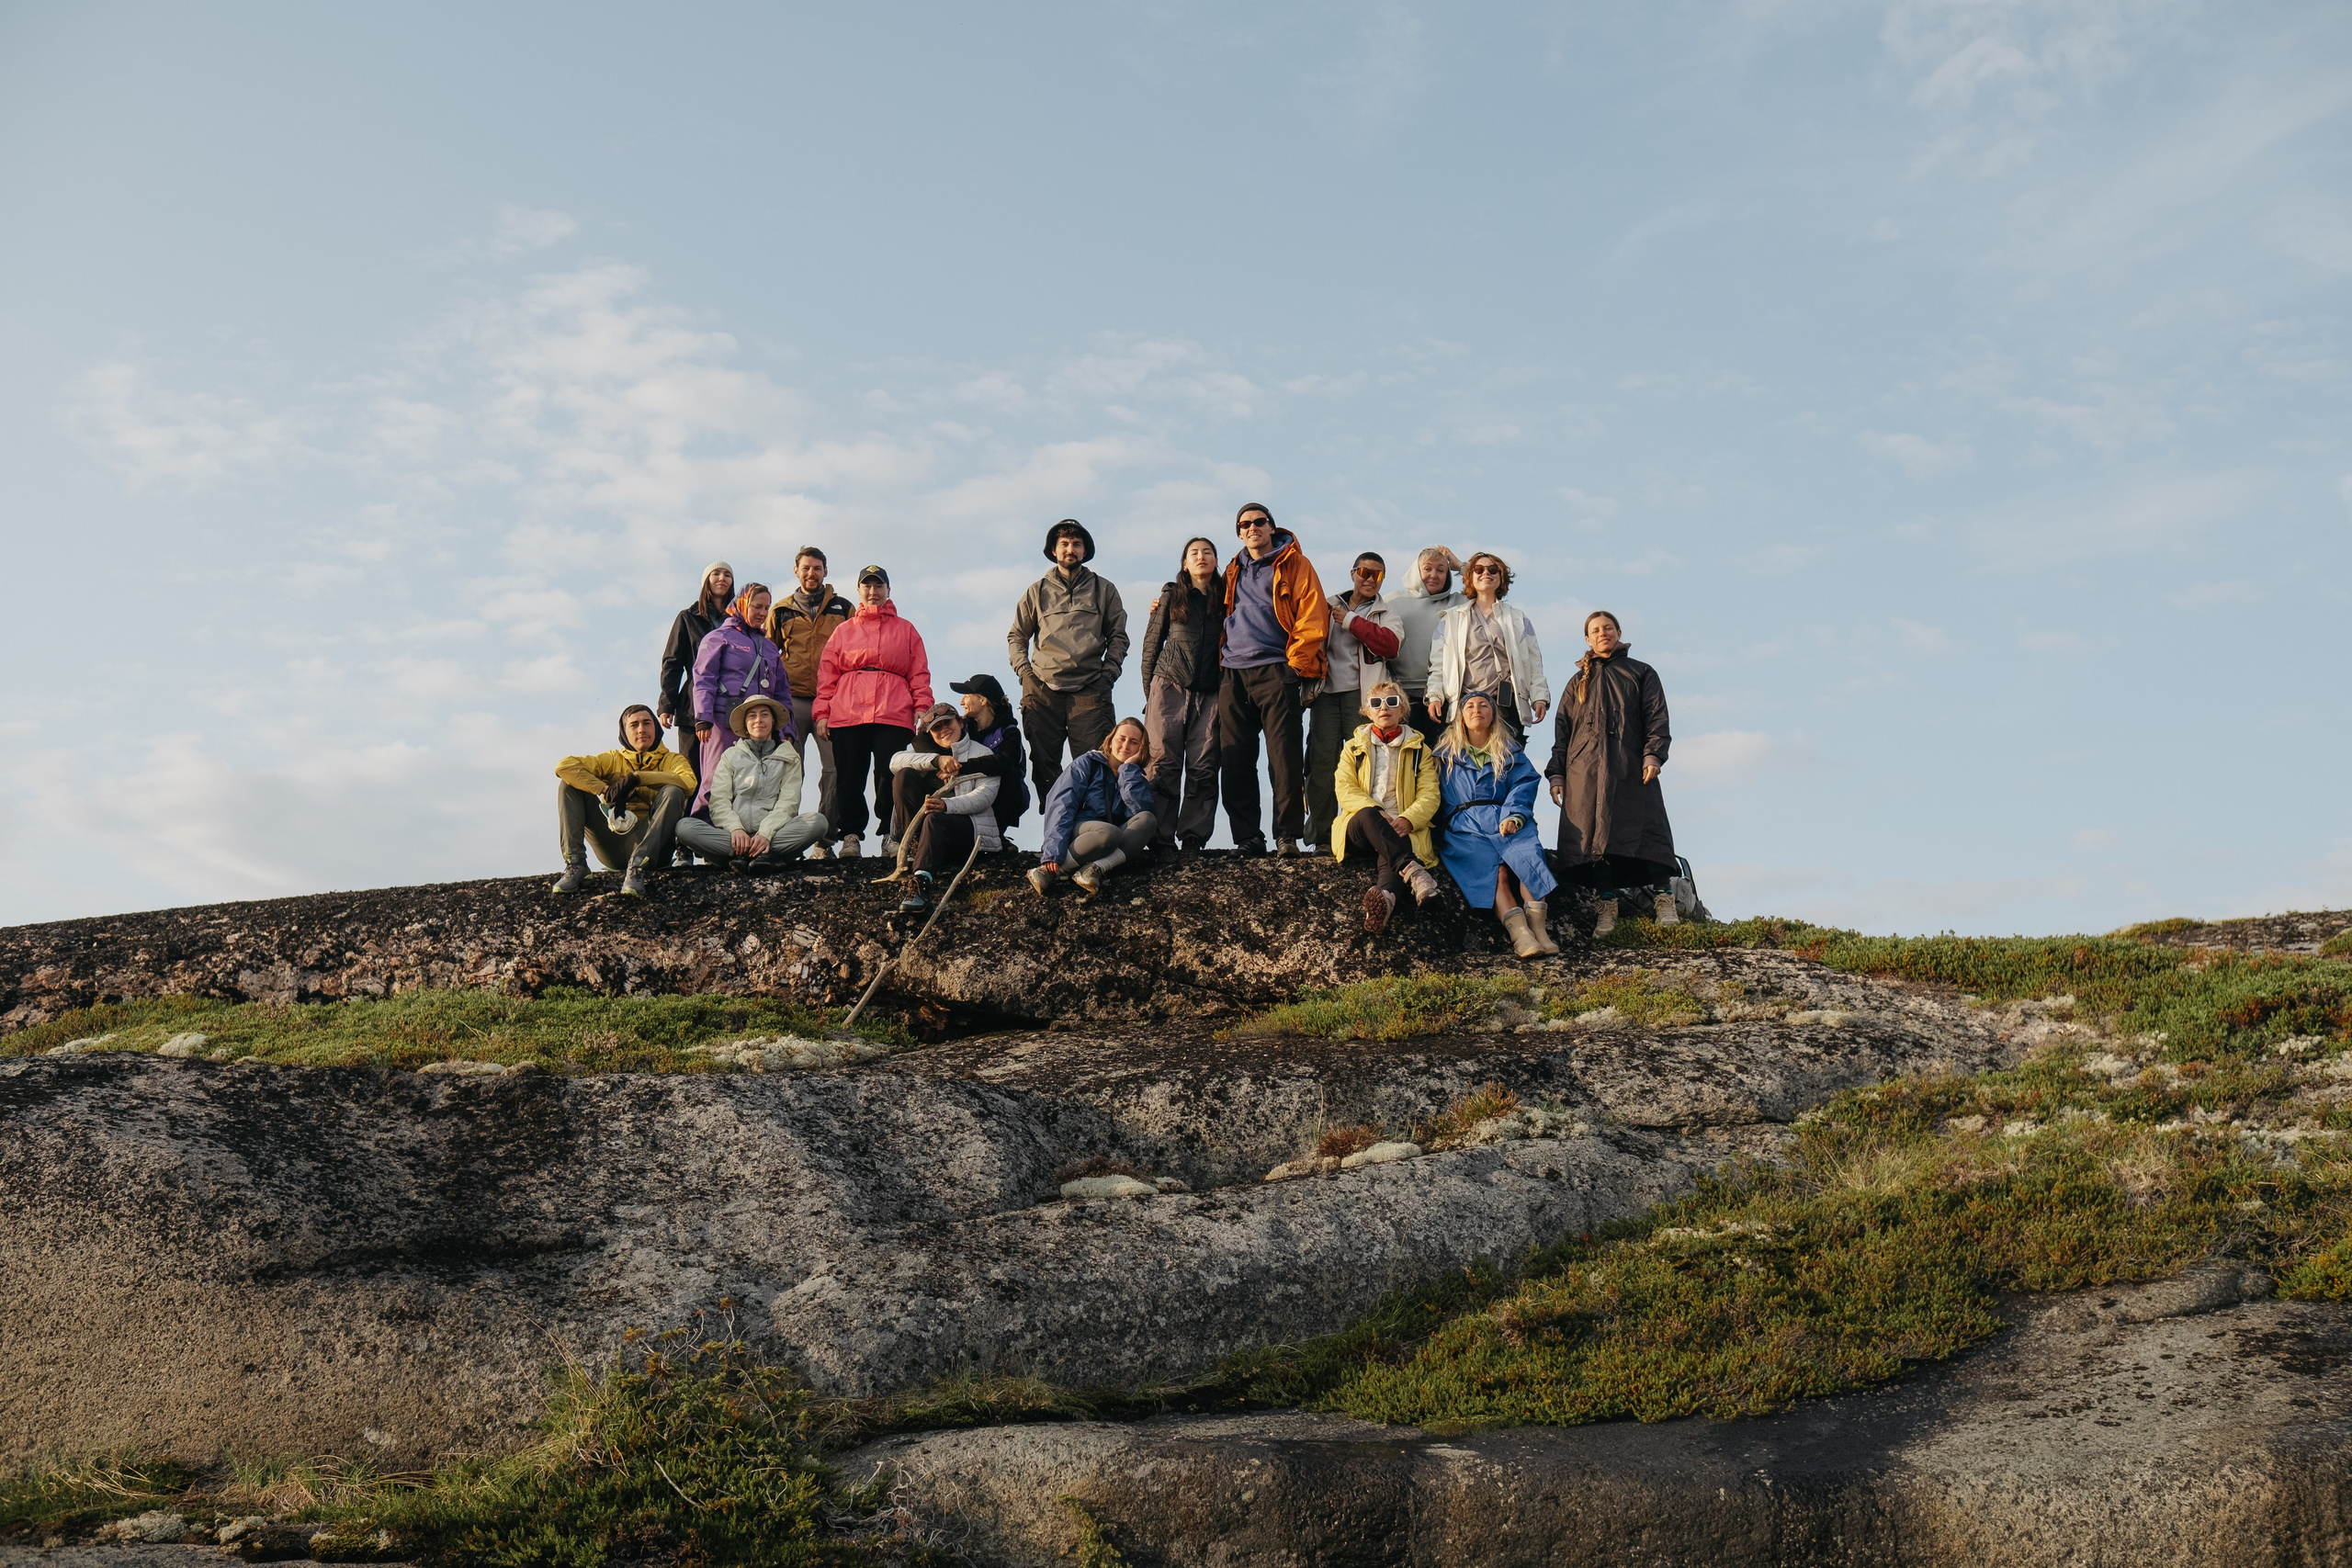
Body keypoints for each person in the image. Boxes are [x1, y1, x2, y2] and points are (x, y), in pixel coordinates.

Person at [1547, 610, 1679, 936]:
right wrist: (1557, 774)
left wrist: (1653, 755)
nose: (1602, 633)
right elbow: (1562, 732)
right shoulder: (1577, 681)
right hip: (1585, 772)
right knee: (1595, 837)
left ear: (1619, 632)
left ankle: (1665, 900)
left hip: (1630, 766)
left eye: (1608, 627)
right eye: (1595, 629)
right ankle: (1606, 907)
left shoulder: (1641, 672)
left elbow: (1656, 718)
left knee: (1647, 831)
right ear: (1588, 639)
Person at [1217, 502, 1328, 857]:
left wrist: (1294, 668)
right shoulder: (1232, 569)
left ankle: (1287, 837)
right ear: (1239, 532)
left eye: (1259, 522)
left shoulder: (1295, 563)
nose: (1252, 528)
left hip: (1277, 669)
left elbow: (1313, 615)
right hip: (1233, 673)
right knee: (1235, 760)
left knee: (1284, 758)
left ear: (1271, 527)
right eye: (1245, 524)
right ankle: (1248, 838)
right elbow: (1208, 605)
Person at [1008, 519, 1128, 819]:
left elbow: (1118, 636)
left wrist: (1108, 674)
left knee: (1096, 762)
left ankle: (1092, 830)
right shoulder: (1036, 592)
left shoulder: (1104, 589)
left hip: (1090, 690)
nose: (1070, 549)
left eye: (1076, 544)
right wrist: (1025, 673)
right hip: (1043, 689)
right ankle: (1055, 831)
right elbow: (1017, 636)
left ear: (1085, 550)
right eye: (1064, 544)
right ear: (1053, 550)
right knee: (1045, 765)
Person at [813, 564, 933, 858]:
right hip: (848, 711)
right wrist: (822, 713)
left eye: (879, 586)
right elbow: (827, 675)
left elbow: (919, 672)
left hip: (892, 710)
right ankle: (850, 835)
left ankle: (889, 835)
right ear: (858, 591)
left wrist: (922, 706)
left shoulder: (906, 629)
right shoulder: (843, 631)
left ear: (888, 591)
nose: (873, 591)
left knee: (888, 776)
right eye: (867, 586)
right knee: (849, 776)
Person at [1433, 690, 1561, 958]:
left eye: (1483, 705)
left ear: (1493, 714)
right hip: (1464, 825)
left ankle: (1539, 929)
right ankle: (1521, 934)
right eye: (1469, 706)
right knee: (1495, 873)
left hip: (1506, 816)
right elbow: (1429, 792)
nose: (1476, 710)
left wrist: (1514, 815)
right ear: (1461, 717)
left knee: (1528, 860)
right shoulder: (1443, 755)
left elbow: (1524, 782)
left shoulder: (1509, 750)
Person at [1306, 552, 1402, 852]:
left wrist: (1350, 621)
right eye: (1365, 572)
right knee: (1321, 765)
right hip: (1326, 694)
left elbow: (1391, 645)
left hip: (1363, 700)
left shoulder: (1386, 613)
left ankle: (1359, 838)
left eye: (1378, 575)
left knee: (1364, 769)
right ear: (1353, 573)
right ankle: (1322, 838)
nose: (1371, 579)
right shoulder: (1327, 603)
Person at [1136, 536, 1225, 853]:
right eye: (1194, 553)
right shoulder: (1171, 595)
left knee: (1204, 765)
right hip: (1168, 685)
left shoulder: (1228, 597)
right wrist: (1152, 692)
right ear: (1185, 563)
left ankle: (1193, 837)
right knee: (1161, 762)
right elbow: (1151, 645)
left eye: (1208, 552)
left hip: (1212, 691)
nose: (1201, 557)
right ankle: (1158, 837)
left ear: (1216, 560)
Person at [1331, 679, 1442, 933]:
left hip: (1401, 827)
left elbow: (1430, 794)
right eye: (1376, 703)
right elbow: (1344, 788)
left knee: (1391, 855)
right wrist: (1378, 811)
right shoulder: (1353, 747)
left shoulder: (1420, 750)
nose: (1384, 708)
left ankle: (1384, 904)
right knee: (1371, 816)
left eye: (1392, 702)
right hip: (1361, 825)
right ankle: (1416, 873)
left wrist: (1408, 819)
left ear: (1402, 709)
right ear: (1367, 712)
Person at [674, 694, 830, 874]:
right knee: (684, 827)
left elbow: (788, 803)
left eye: (764, 714)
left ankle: (746, 857)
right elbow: (719, 801)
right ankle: (762, 857)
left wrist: (765, 833)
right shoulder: (730, 755)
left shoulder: (790, 757)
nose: (759, 720)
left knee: (818, 822)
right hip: (734, 837)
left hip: (773, 836)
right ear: (745, 725)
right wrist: (736, 829)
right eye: (752, 716)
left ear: (773, 720)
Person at [551, 705, 695, 897]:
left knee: (673, 791)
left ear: (656, 728)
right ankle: (575, 864)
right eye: (634, 725)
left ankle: (637, 868)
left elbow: (689, 782)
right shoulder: (612, 759)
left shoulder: (672, 760)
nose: (641, 729)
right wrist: (605, 789)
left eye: (647, 723)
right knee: (568, 786)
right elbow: (565, 765)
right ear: (624, 733)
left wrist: (638, 778)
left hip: (654, 845)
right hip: (613, 842)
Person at [767, 547, 854, 856]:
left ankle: (825, 839)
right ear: (796, 571)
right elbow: (767, 655)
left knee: (834, 770)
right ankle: (786, 841)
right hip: (792, 700)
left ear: (825, 572)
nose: (811, 574)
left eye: (817, 568)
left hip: (832, 702)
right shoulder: (780, 611)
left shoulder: (844, 609)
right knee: (791, 770)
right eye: (805, 568)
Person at [888, 703, 1004, 913]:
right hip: (930, 835)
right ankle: (917, 846)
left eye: (947, 723)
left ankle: (920, 886)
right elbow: (895, 761)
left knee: (934, 818)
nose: (943, 730)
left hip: (970, 836)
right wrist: (937, 760)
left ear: (960, 722)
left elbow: (985, 797)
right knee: (903, 776)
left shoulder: (982, 753)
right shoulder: (924, 752)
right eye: (936, 728)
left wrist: (946, 805)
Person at [1429, 551, 1550, 746]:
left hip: (1506, 702)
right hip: (1466, 702)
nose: (1486, 573)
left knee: (1507, 762)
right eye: (1479, 569)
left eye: (1493, 570)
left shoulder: (1518, 618)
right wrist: (1434, 695)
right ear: (1471, 577)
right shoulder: (1452, 619)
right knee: (1465, 763)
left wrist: (1539, 697)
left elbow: (1534, 662)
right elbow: (1438, 664)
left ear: (1501, 578)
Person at [1030, 717, 1158, 900]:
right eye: (1121, 738)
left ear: (1140, 749)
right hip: (1081, 832)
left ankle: (1094, 870)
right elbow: (1061, 805)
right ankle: (1050, 871)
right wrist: (1053, 851)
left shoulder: (1136, 778)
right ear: (1111, 740)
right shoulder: (1087, 764)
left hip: (1111, 842)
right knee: (1108, 832)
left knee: (1148, 819)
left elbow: (1139, 816)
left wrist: (1128, 771)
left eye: (1134, 742)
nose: (1126, 745)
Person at [689, 582, 788, 817]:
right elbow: (704, 677)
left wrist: (787, 730)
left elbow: (782, 691)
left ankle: (744, 843)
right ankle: (701, 836)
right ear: (742, 604)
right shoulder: (718, 638)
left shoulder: (771, 648)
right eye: (757, 606)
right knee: (716, 780)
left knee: (754, 784)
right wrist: (703, 718)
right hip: (723, 722)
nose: (763, 613)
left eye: (767, 607)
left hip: (759, 726)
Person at [657, 561, 732, 800]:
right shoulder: (688, 618)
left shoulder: (738, 620)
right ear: (706, 582)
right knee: (692, 773)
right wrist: (666, 705)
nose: (722, 578)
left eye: (727, 574)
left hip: (730, 705)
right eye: (716, 574)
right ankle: (686, 832)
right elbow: (672, 662)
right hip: (693, 707)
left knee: (727, 773)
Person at [1385, 547, 1462, 745]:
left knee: (1439, 758)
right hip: (1402, 695)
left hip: (1442, 696)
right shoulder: (1394, 601)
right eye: (1427, 569)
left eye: (1441, 570)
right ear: (1416, 571)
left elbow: (1490, 591)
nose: (1433, 575)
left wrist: (1459, 565)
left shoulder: (1458, 602)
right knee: (1406, 758)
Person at [948, 673, 1030, 847]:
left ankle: (996, 835)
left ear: (983, 700)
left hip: (1007, 797)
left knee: (1008, 775)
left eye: (966, 696)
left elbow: (1006, 761)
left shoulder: (1010, 732)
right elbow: (927, 738)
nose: (961, 702)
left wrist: (961, 767)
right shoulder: (961, 727)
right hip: (964, 792)